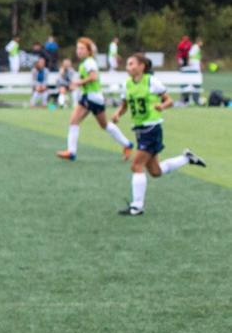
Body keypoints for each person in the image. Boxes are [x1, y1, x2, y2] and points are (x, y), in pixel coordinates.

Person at [111, 53, 206, 216]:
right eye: (127, 64)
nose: (129, 67)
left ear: (142, 66)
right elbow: (126, 104)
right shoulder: (127, 84)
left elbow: (168, 100)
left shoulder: (151, 81)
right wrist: (118, 113)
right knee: (155, 172)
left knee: (136, 165)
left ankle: (137, 207)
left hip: (152, 129)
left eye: (132, 64)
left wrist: (162, 106)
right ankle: (186, 158)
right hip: (139, 130)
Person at [56, 37, 133, 161]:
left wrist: (78, 82)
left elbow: (93, 77)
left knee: (75, 122)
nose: (79, 51)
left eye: (82, 48)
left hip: (91, 97)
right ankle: (127, 144)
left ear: (89, 50)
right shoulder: (86, 62)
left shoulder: (89, 62)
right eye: (78, 48)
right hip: (94, 98)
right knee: (103, 125)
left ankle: (71, 152)